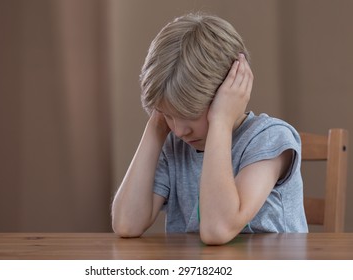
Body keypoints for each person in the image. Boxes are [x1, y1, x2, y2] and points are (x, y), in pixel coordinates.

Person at [111, 13, 308, 245]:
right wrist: (156, 124)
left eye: (190, 115)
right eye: (169, 116)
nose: (179, 130)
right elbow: (127, 223)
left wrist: (221, 121)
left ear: (229, 90)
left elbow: (217, 229)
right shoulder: (173, 144)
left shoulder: (270, 139)